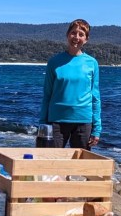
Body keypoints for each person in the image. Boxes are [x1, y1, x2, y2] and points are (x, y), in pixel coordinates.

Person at [39, 18, 101, 149]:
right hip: (57, 121)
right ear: (67, 35)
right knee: (52, 159)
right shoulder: (54, 62)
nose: (76, 37)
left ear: (86, 39)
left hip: (83, 121)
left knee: (80, 161)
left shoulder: (92, 63)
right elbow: (47, 95)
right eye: (73, 33)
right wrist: (42, 123)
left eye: (81, 34)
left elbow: (95, 97)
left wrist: (97, 128)